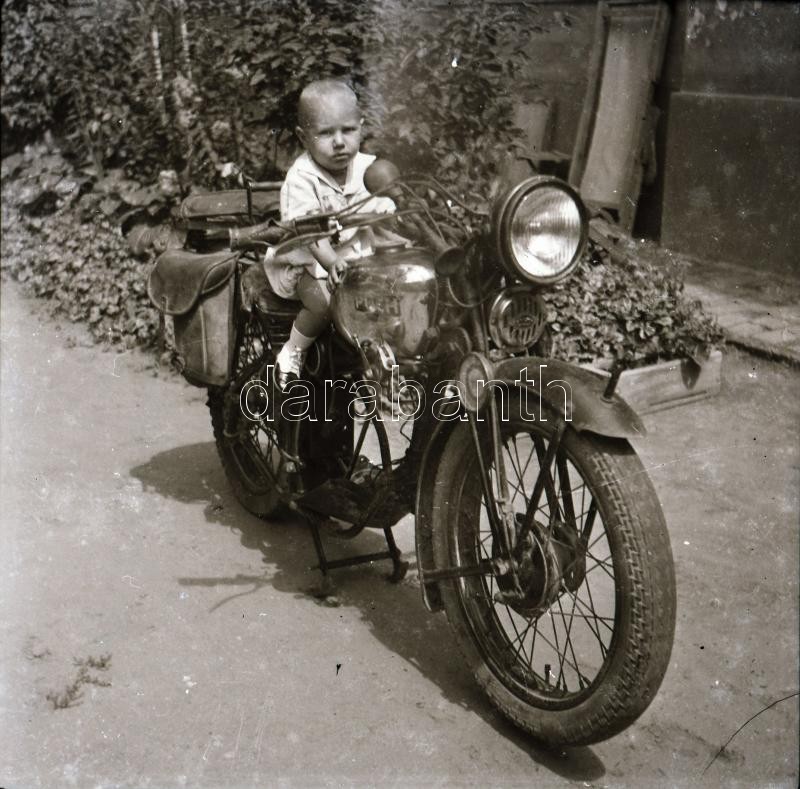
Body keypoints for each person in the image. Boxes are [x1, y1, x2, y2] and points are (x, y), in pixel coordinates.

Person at [267, 79, 396, 386]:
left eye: (347, 130)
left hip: (355, 256)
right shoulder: (302, 178)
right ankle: (293, 351)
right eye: (326, 133)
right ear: (304, 137)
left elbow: (387, 205)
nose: (339, 142)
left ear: (361, 128)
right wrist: (331, 262)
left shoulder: (368, 168)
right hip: (309, 261)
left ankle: (382, 356)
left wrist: (393, 217)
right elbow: (310, 232)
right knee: (323, 303)